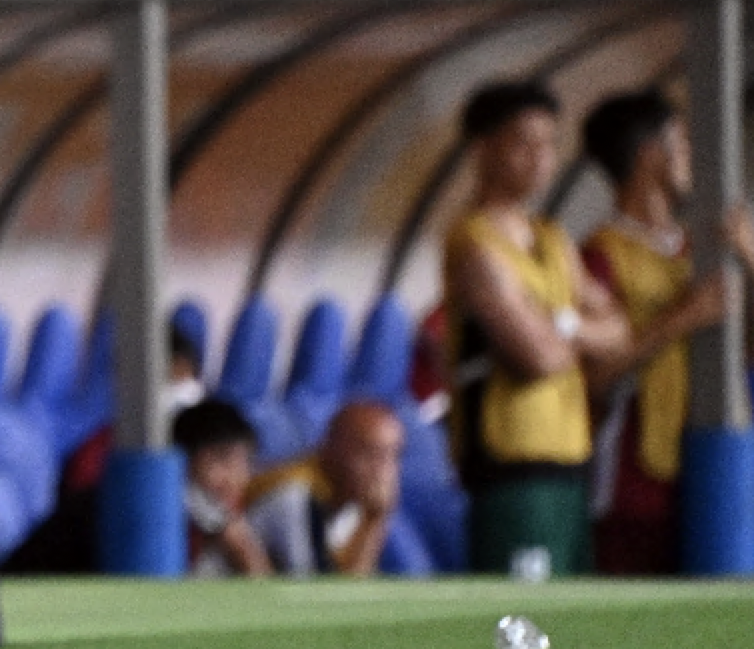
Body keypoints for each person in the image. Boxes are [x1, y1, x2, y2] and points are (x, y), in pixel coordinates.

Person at [442, 80, 630, 577]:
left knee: (565, 629)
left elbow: (621, 329)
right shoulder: (475, 244)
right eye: (524, 142)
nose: (542, 157)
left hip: (569, 454)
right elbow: (537, 359)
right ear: (483, 148)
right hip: (511, 462)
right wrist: (577, 332)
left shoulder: (552, 238)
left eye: (549, 143)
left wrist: (560, 324)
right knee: (524, 633)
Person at [578, 90, 754, 574]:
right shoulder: (600, 255)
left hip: (720, 461)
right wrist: (683, 317)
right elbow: (596, 375)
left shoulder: (707, 249)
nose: (694, 157)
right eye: (683, 143)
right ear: (651, 154)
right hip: (638, 477)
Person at [245, 400, 405, 577]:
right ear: (331, 448)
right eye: (370, 454)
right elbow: (323, 595)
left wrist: (374, 518)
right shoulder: (295, 494)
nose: (382, 470)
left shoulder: (353, 496)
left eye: (392, 455)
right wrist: (374, 521)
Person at [175, 398, 271, 577]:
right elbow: (252, 566)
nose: (235, 478)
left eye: (243, 463)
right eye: (222, 460)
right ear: (184, 460)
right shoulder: (181, 497)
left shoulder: (233, 514)